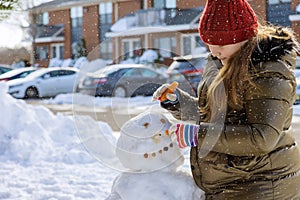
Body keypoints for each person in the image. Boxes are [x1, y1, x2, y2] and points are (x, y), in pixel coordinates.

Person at [152, 0, 300, 199]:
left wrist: (198, 135)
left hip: (261, 186)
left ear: (243, 38)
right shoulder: (220, 62)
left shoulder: (267, 71)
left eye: (221, 43)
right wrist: (178, 103)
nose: (214, 50)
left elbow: (262, 137)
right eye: (209, 43)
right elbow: (216, 115)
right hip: (231, 183)